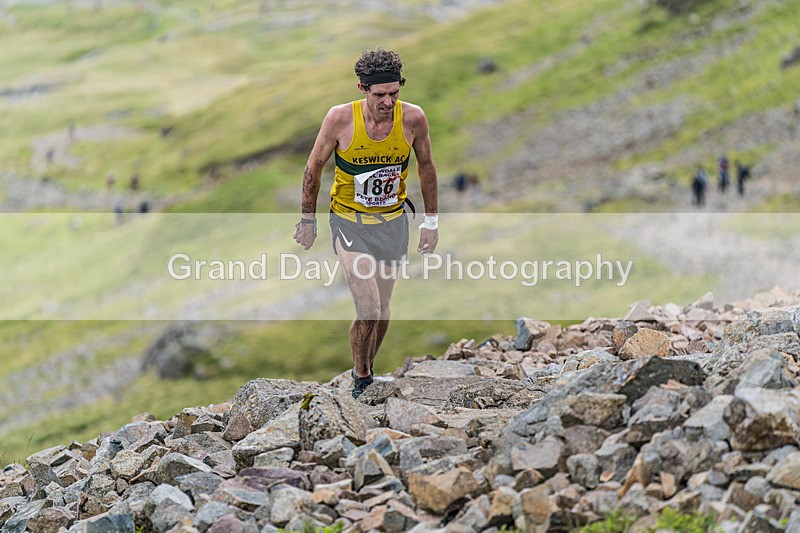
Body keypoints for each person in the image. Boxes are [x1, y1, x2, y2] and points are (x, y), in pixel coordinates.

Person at [294, 48, 439, 399]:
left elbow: (427, 167)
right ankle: (361, 381)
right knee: (369, 307)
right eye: (380, 95)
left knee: (383, 309)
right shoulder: (339, 119)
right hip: (349, 221)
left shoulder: (414, 119)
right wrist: (307, 220)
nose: (388, 102)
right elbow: (313, 168)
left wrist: (431, 222)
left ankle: (367, 370)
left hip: (392, 222)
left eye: (394, 93)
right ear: (362, 88)